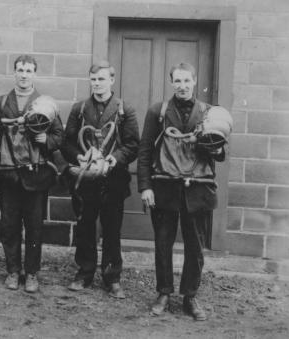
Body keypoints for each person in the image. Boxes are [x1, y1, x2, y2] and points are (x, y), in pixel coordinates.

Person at [137, 62, 226, 321]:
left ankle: (190, 296)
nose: (182, 86)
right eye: (178, 81)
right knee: (163, 243)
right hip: (165, 187)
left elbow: (220, 154)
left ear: (195, 81)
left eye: (187, 81)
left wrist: (216, 149)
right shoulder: (158, 111)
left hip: (198, 190)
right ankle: (163, 292)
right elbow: (144, 151)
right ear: (171, 82)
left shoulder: (209, 112)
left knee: (195, 247)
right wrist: (145, 187)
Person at [0, 55, 64, 293]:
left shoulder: (45, 102)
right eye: (20, 70)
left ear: (35, 73)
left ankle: (32, 274)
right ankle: (13, 271)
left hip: (36, 175)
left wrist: (46, 139)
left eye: (28, 70)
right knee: (9, 225)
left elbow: (60, 137)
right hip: (8, 174)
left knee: (35, 226)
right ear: (14, 72)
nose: (24, 74)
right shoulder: (1, 102)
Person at [61, 61, 139, 298]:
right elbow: (66, 142)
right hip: (86, 178)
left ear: (112, 81)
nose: (97, 84)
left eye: (102, 79)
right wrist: (80, 156)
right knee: (85, 226)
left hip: (113, 178)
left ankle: (112, 277)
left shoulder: (125, 109)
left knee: (112, 228)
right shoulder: (79, 108)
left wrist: (114, 159)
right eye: (93, 79)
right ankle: (84, 272)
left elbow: (133, 145)